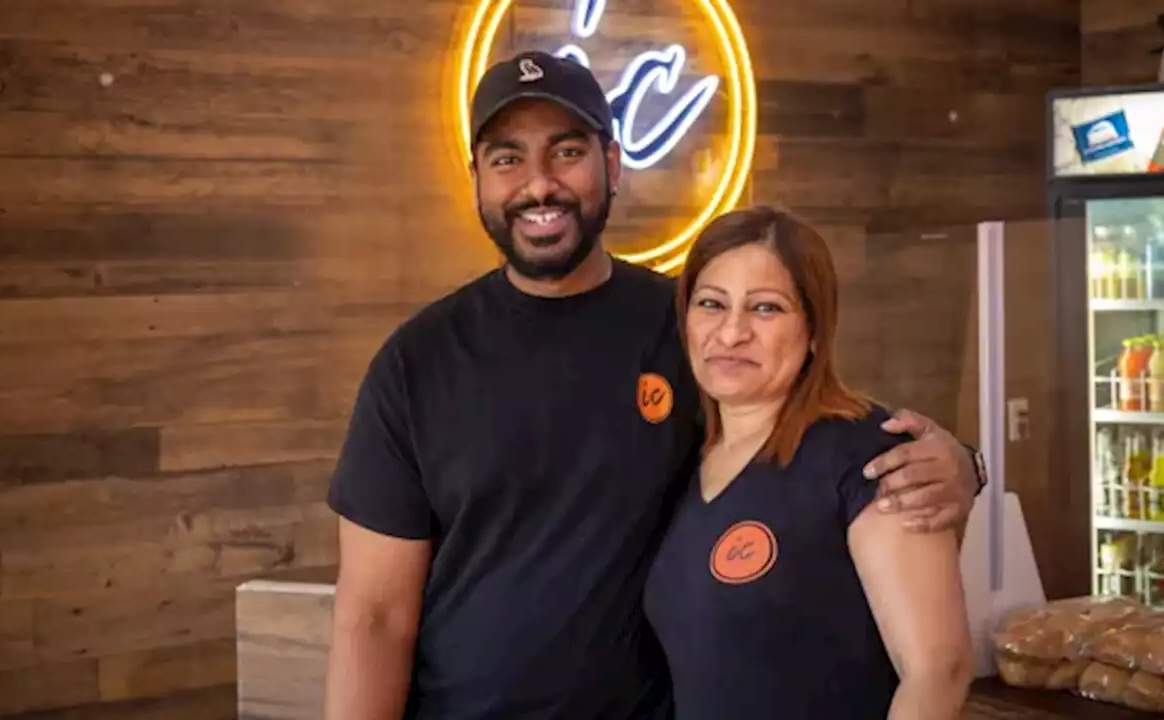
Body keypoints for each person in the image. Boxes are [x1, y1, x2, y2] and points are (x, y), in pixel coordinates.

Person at [323, 49, 986, 720]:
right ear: (476, 180)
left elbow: (818, 417)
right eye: (507, 159)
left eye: (567, 152)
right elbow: (373, 617)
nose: (539, 184)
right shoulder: (417, 363)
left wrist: (964, 463)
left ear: (611, 164)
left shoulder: (685, 330)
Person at [643, 206, 973, 720]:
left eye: (766, 308)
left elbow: (938, 670)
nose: (731, 334)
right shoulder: (683, 456)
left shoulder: (871, 456)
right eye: (711, 304)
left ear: (816, 329)